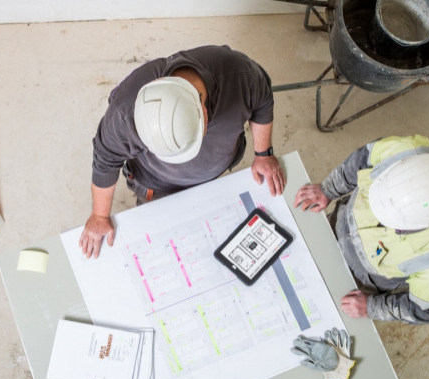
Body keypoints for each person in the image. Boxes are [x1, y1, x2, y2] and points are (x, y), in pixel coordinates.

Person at [80, 45, 286, 259]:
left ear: (203, 110)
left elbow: (262, 101)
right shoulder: (125, 112)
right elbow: (106, 159)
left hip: (216, 176)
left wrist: (264, 154)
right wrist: (99, 215)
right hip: (157, 185)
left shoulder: (240, 75)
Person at [294, 135, 429, 324]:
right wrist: (327, 189)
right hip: (338, 223)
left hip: (359, 280)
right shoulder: (405, 151)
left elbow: (427, 310)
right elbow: (361, 161)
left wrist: (371, 307)